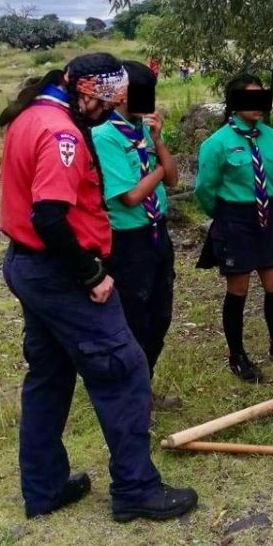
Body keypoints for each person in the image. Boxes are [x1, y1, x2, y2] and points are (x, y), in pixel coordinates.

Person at [0, 52, 197, 522]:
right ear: (88, 92)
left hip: (27, 266)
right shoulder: (63, 133)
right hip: (58, 271)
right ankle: (136, 488)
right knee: (123, 369)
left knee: (49, 374)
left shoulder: (32, 115)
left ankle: (43, 487)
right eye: (109, 103)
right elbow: (49, 215)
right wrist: (92, 274)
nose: (111, 112)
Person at [195, 74, 273, 382]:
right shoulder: (216, 143)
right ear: (234, 103)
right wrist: (223, 217)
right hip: (235, 218)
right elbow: (205, 189)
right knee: (239, 287)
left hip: (266, 215)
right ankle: (237, 355)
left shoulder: (271, 136)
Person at [91, 61, 182, 410]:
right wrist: (159, 170)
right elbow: (129, 196)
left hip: (157, 232)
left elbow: (173, 179)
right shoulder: (104, 136)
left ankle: (144, 387)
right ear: (120, 95)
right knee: (134, 320)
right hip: (127, 240)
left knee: (160, 315)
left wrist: (158, 141)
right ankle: (131, 400)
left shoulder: (144, 129)